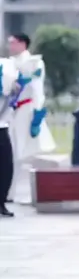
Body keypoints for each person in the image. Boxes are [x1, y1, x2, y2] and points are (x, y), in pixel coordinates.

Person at [6, 33, 55, 202]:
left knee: (23, 151)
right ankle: (9, 192)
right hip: (12, 110)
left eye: (13, 43)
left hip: (27, 108)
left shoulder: (34, 62)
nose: (10, 46)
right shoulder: (9, 63)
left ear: (23, 44)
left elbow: (37, 87)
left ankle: (22, 193)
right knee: (13, 151)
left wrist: (37, 112)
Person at [0, 57, 21, 217]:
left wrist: (16, 88)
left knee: (6, 166)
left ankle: (1, 202)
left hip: (1, 125)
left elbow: (14, 87)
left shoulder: (6, 65)